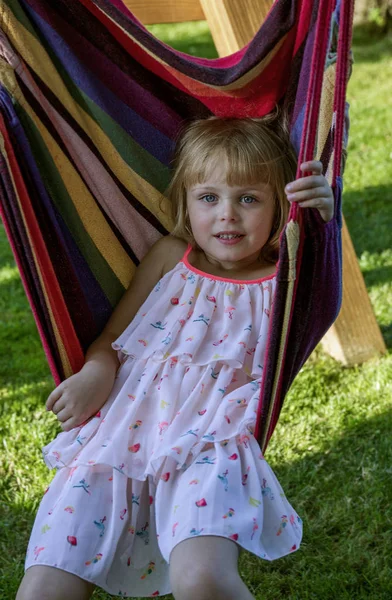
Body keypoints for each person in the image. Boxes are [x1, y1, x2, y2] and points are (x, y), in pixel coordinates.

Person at [17, 115, 334, 600]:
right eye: (209, 198)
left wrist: (323, 220)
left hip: (213, 444)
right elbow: (112, 336)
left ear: (281, 208)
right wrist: (96, 372)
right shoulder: (170, 257)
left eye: (248, 199)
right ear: (185, 200)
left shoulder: (285, 277)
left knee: (201, 578)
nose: (227, 214)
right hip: (115, 439)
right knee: (46, 584)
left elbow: (324, 286)